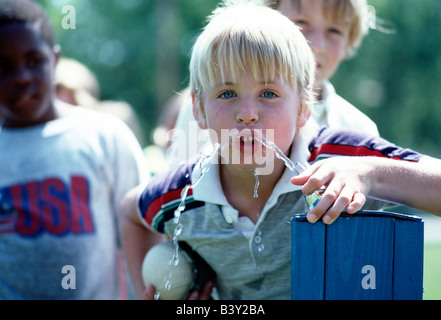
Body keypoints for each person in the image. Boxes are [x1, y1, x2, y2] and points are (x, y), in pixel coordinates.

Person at [120, 1, 440, 300]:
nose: (248, 113)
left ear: (303, 107)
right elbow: (130, 212)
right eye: (227, 93)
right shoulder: (181, 194)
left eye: (269, 93)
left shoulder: (344, 158)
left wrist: (371, 174)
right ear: (199, 110)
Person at [0, 0, 150, 299]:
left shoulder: (104, 136)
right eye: (4, 66)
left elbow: (142, 226)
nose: (21, 77)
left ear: (55, 60)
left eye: (34, 61)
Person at [167, 0, 379, 165]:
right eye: (301, 23)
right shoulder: (207, 110)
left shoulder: (360, 130)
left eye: (334, 31)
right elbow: (175, 196)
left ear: (348, 45)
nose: (316, 45)